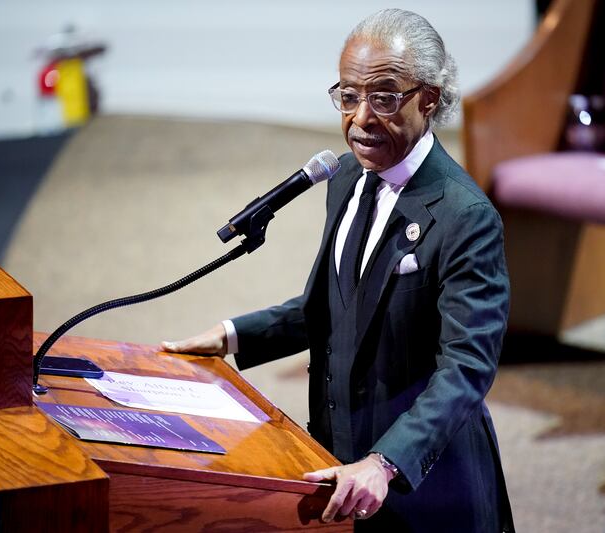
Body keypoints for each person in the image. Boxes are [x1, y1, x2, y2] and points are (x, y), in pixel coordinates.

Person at [162, 9, 513, 532]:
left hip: (426, 486)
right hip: (339, 466)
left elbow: (466, 369)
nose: (361, 118)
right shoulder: (346, 176)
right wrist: (231, 336)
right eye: (348, 97)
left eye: (385, 98)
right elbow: (330, 307)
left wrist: (385, 461)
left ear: (430, 99)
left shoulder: (466, 217)